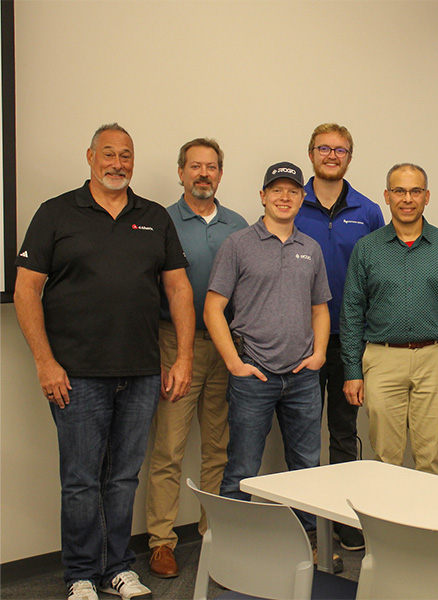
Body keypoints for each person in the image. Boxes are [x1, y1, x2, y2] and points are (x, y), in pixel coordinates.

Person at [14, 123, 194, 600]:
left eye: (127, 156)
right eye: (109, 154)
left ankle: (118, 568)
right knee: (79, 481)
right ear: (90, 157)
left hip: (139, 372)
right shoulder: (56, 213)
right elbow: (26, 289)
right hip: (75, 375)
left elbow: (178, 288)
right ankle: (79, 576)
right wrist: (45, 362)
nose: (118, 163)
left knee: (122, 477)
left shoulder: (154, 216)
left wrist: (184, 358)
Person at [204, 162, 334, 560]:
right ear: (262, 196)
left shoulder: (309, 249)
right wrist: (234, 363)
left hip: (301, 378)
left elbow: (320, 309)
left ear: (302, 198)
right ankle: (232, 550)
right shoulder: (238, 244)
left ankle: (306, 546)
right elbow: (213, 309)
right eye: (276, 190)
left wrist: (319, 355)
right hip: (252, 375)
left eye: (292, 191)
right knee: (242, 467)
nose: (284, 197)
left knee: (306, 469)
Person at [145, 138, 249, 578]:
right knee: (169, 446)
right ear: (181, 172)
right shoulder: (161, 221)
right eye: (195, 167)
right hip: (175, 344)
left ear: (221, 174)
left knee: (218, 448)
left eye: (211, 167)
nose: (203, 174)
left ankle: (213, 536)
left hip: (226, 345)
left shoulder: (238, 224)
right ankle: (161, 542)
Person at [341, 163, 438, 476]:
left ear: (427, 197)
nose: (407, 198)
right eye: (399, 191)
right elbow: (351, 313)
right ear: (387, 196)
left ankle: (427, 526)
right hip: (382, 359)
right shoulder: (367, 250)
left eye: (415, 191)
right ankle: (386, 526)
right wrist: (352, 370)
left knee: (430, 459)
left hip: (435, 359)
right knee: (386, 460)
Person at [294, 123, 383, 550]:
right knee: (304, 435)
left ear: (350, 156)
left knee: (344, 434)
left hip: (351, 340)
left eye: (340, 149)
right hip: (300, 340)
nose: (332, 155)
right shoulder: (292, 203)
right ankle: (308, 528)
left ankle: (346, 523)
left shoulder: (367, 211)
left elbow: (379, 277)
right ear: (311, 154)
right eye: (324, 148)